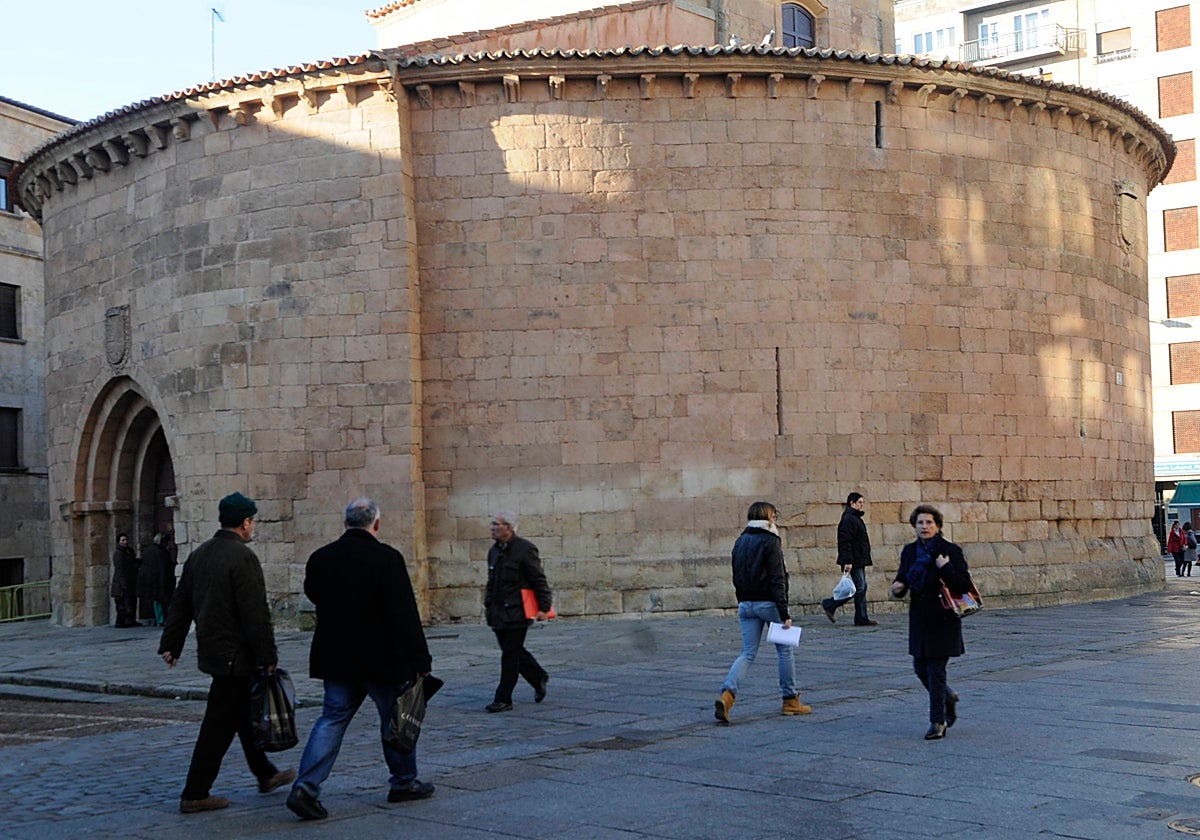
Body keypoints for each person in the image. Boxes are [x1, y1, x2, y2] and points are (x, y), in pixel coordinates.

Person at [286, 498, 435, 821]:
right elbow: (404, 613)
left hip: (337, 655)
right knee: (394, 719)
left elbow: (314, 594)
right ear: (376, 524)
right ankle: (403, 782)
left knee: (332, 719)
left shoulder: (321, 558)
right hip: (382, 657)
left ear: (346, 522)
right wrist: (421, 658)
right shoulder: (387, 559)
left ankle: (306, 786)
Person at [158, 492, 295, 814]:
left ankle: (266, 774)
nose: (253, 527)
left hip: (215, 652)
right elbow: (254, 613)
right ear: (245, 522)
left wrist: (171, 645)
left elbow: (181, 604)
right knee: (218, 726)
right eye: (253, 522)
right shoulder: (242, 557)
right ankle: (195, 792)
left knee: (242, 717)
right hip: (236, 656)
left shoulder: (200, 555)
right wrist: (268, 655)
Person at [715, 501, 811, 723]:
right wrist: (784, 612)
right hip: (769, 604)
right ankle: (790, 700)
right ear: (767, 517)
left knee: (747, 653)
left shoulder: (740, 541)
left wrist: (742, 600)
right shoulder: (771, 541)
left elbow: (736, 575)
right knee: (784, 651)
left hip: (746, 604)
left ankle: (727, 695)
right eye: (774, 516)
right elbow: (778, 577)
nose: (775, 520)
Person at [890, 504, 973, 741]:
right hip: (919, 618)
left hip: (943, 618)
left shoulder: (949, 551)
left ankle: (938, 721)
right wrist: (897, 589)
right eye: (920, 523)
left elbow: (963, 585)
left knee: (936, 671)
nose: (924, 527)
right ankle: (947, 697)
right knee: (919, 668)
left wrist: (945, 567)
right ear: (914, 526)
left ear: (937, 526)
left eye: (929, 523)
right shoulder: (909, 552)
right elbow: (902, 579)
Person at [483, 510, 551, 712]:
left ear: (509, 528)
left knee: (510, 655)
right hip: (497, 612)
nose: (492, 528)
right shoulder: (494, 551)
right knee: (513, 651)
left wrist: (544, 607)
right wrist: (487, 603)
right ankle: (538, 676)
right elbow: (491, 581)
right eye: (492, 524)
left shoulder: (525, 550)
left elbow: (538, 580)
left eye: (497, 524)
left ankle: (503, 698)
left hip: (517, 611)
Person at [821, 492, 877, 626]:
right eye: (860, 502)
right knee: (859, 587)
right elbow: (845, 541)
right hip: (854, 560)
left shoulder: (855, 518)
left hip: (858, 559)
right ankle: (831, 604)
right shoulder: (849, 519)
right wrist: (848, 561)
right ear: (852, 503)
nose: (862, 505)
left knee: (862, 587)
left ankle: (861, 617)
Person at [140, 532, 173, 626]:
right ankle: (162, 619)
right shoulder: (161, 552)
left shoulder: (148, 551)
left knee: (156, 601)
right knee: (161, 601)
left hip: (150, 580)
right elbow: (163, 569)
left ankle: (159, 619)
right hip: (160, 581)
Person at [110, 532, 139, 627]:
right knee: (122, 604)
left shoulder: (129, 551)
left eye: (126, 540)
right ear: (118, 542)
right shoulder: (118, 553)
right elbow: (120, 569)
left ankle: (130, 620)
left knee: (131, 601)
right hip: (121, 583)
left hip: (130, 580)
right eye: (122, 540)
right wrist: (123, 583)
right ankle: (121, 622)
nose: (125, 542)